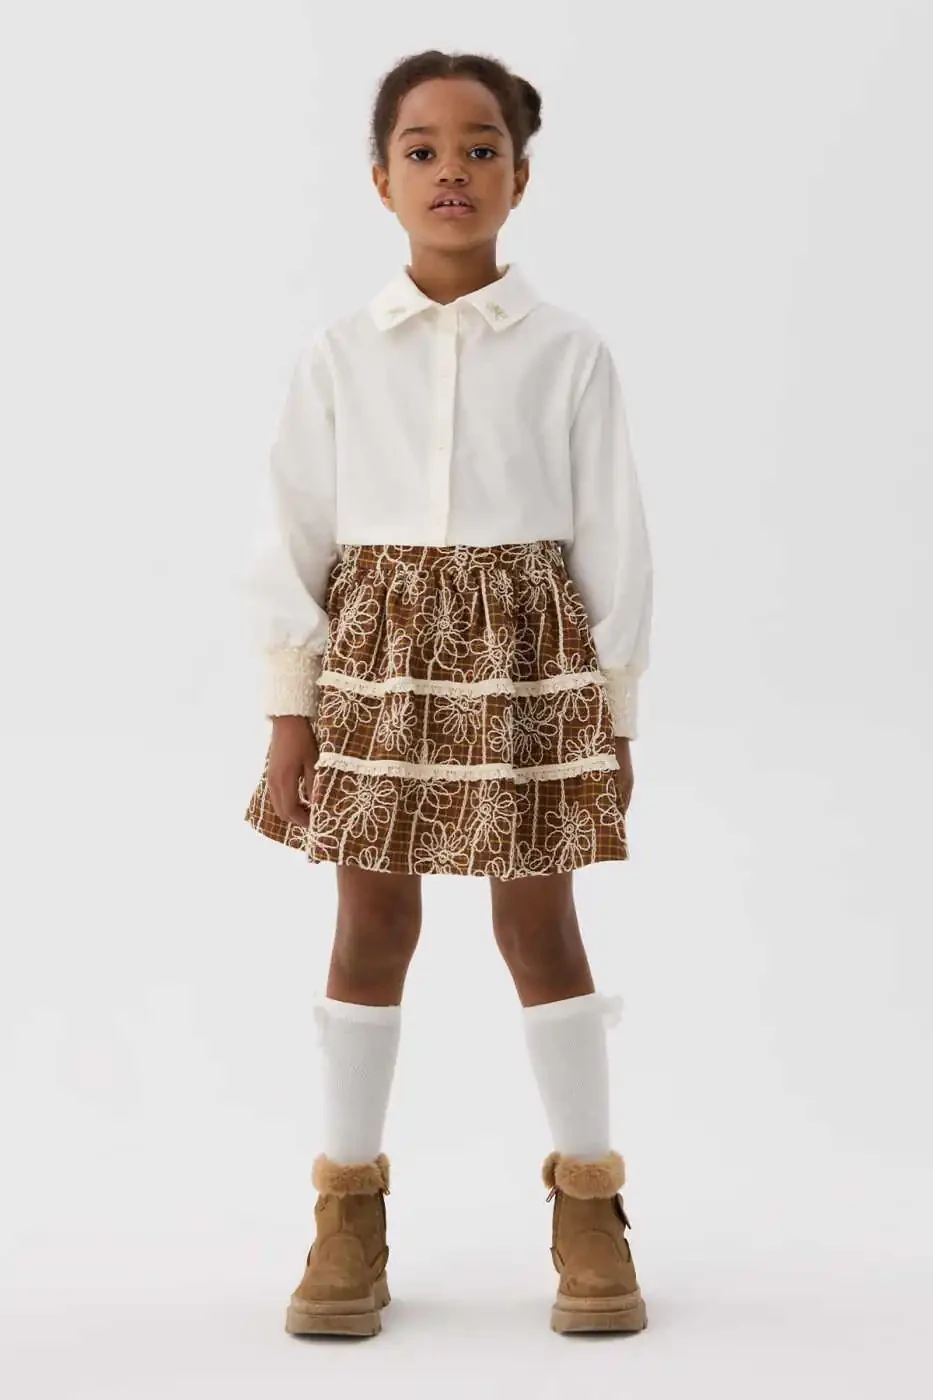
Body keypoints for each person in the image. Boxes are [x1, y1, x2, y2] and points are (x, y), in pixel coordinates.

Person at [242, 48, 653, 1338]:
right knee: (371, 926)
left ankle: (589, 1201)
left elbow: (614, 539)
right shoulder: (337, 355)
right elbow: (294, 535)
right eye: (421, 150)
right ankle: (347, 1207)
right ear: (381, 180)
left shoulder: (570, 351)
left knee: (542, 927)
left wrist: (613, 717)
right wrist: (290, 714)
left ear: (521, 178)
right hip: (377, 665)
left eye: (481, 149)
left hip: (529, 669)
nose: (452, 171)